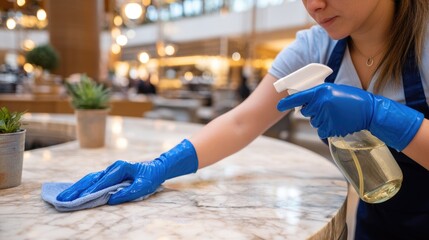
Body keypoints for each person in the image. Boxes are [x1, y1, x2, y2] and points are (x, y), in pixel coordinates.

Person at [57, 0, 429, 238]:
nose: (314, 5)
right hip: (376, 225)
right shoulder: (315, 48)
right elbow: (242, 122)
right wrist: (159, 166)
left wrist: (377, 113)